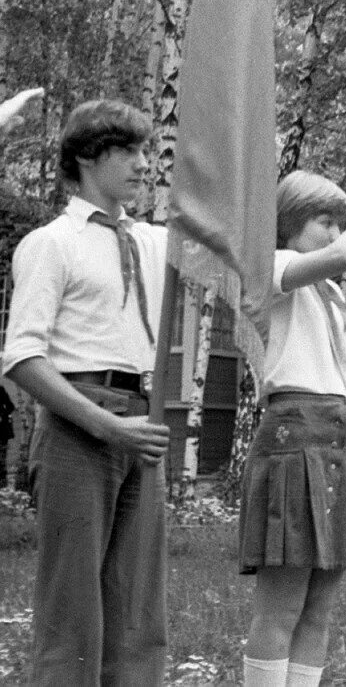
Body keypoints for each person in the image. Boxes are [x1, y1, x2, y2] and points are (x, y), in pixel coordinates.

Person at [2, 98, 169, 685]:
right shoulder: (53, 242)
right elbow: (21, 359)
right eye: (128, 151)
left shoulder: (153, 241)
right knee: (72, 609)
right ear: (86, 157)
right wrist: (105, 425)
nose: (144, 164)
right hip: (79, 423)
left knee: (137, 606)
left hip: (143, 424)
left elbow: (241, 250)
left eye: (145, 150)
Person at [238, 137, 346, 687]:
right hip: (294, 433)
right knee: (282, 605)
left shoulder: (331, 296)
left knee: (319, 607)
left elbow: (341, 380)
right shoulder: (272, 265)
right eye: (323, 221)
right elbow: (343, 255)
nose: (335, 233)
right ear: (289, 221)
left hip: (337, 436)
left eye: (340, 221)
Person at [0, 382, 14, 486]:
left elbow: (10, 406)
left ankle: (3, 478)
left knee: (2, 453)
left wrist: (2, 415)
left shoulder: (0, 389)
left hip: (2, 428)